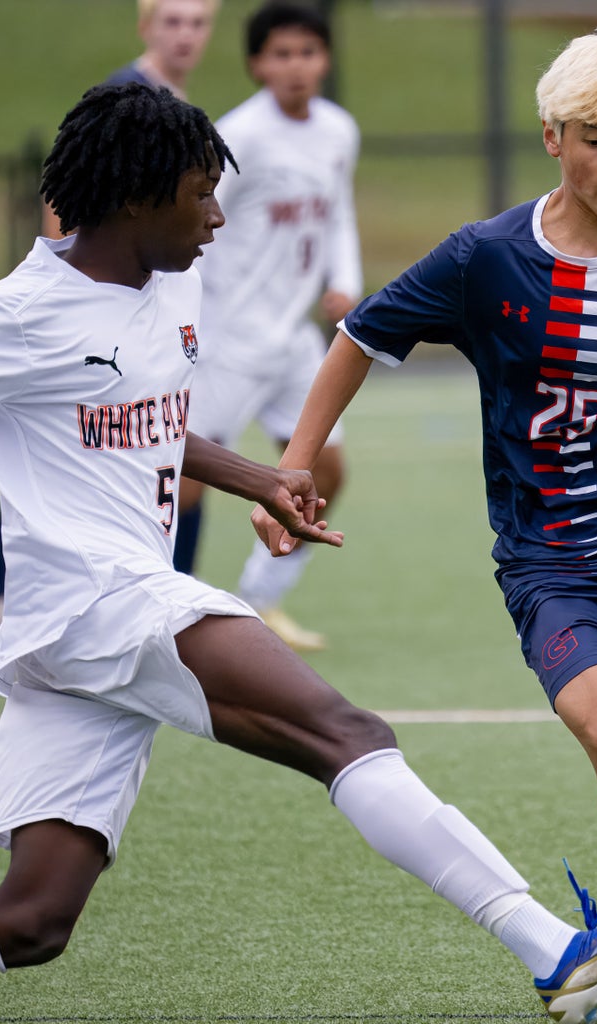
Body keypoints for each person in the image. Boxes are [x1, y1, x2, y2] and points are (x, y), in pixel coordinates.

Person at [0, 84, 597, 1024]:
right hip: (100, 600)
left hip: (80, 633)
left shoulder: (172, 283)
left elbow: (148, 420)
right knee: (344, 731)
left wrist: (261, 478)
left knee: (31, 919)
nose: (216, 215)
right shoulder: (16, 314)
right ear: (133, 198)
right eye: (200, 193)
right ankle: (550, 949)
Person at [252, 11, 597, 865]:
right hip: (557, 564)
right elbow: (358, 334)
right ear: (552, 137)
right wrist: (293, 466)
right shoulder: (489, 259)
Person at [0, 0, 220, 649]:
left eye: (198, 22)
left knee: (91, 445)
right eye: (173, 21)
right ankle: (146, 600)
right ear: (145, 25)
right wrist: (79, 284)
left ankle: (4, 597)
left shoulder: (175, 105)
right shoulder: (127, 97)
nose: (185, 34)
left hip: (153, 310)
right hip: (111, 317)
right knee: (76, 446)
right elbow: (66, 191)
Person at [178, 1, 363, 653]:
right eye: (280, 54)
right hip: (228, 341)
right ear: (257, 63)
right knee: (185, 479)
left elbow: (338, 213)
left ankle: (260, 599)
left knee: (327, 473)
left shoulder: (339, 130)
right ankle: (167, 604)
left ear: (326, 60)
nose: (295, 66)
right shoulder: (237, 137)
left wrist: (347, 281)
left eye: (307, 53)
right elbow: (189, 220)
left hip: (295, 344)